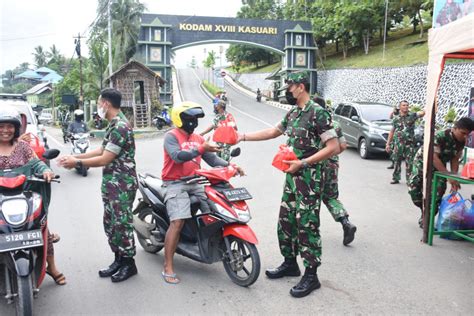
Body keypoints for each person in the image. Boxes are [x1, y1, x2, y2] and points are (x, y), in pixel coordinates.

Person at [238, 71, 339, 298]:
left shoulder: (318, 113)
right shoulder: (294, 112)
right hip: (292, 178)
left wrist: (303, 163)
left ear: (301, 87)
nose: (288, 91)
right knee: (286, 222)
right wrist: (242, 136)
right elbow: (273, 132)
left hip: (310, 179)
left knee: (307, 225)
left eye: (290, 87)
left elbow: (333, 147)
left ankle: (311, 275)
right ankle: (290, 263)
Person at [59, 88, 138, 283]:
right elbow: (101, 149)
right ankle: (118, 259)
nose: (98, 107)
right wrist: (76, 156)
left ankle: (129, 263)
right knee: (111, 223)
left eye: (98, 103)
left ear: (106, 104)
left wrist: (76, 163)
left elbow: (104, 159)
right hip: (112, 184)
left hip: (122, 184)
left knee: (121, 224)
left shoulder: (121, 127)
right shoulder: (113, 125)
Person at [161, 101, 244, 284]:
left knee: (214, 211)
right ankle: (168, 266)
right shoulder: (171, 136)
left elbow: (212, 159)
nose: (193, 121)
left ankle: (207, 246)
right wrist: (200, 148)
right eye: (190, 118)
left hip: (196, 181)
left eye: (195, 118)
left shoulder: (198, 138)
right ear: (180, 119)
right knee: (178, 221)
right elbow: (178, 157)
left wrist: (231, 166)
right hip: (174, 184)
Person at [0, 106, 65, 285]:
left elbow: (37, 164)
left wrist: (46, 171)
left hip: (22, 197)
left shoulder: (22, 147)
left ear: (15, 128)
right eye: (1, 126)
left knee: (41, 227)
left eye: (9, 126)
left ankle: (51, 266)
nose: (5, 130)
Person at [408, 117, 474, 227]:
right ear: (455, 128)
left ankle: (426, 219)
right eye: (463, 133)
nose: (465, 137)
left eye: (468, 135)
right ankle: (424, 210)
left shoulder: (461, 142)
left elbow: (455, 159)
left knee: (436, 196)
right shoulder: (440, 136)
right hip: (422, 164)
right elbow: (433, 158)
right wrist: (448, 176)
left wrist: (454, 178)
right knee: (414, 192)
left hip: (440, 168)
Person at [313, 95, 357, 246]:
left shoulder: (311, 121)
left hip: (314, 165)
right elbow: (343, 146)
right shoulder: (335, 123)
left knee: (311, 198)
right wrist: (330, 156)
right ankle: (345, 222)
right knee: (331, 196)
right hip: (332, 165)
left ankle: (312, 232)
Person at [385, 100, 425, 184]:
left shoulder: (412, 116)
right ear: (400, 107)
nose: (406, 106)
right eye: (403, 105)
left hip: (409, 144)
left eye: (407, 105)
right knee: (397, 161)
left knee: (409, 162)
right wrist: (388, 143)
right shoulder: (396, 118)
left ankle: (409, 179)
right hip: (398, 143)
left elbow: (422, 113)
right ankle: (396, 178)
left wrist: (421, 111)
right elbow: (392, 131)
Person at [387, 105, 400, 169]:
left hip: (398, 136)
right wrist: (393, 111)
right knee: (391, 150)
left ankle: (396, 164)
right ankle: (392, 163)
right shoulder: (394, 114)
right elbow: (390, 117)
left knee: (397, 151)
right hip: (393, 136)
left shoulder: (401, 115)